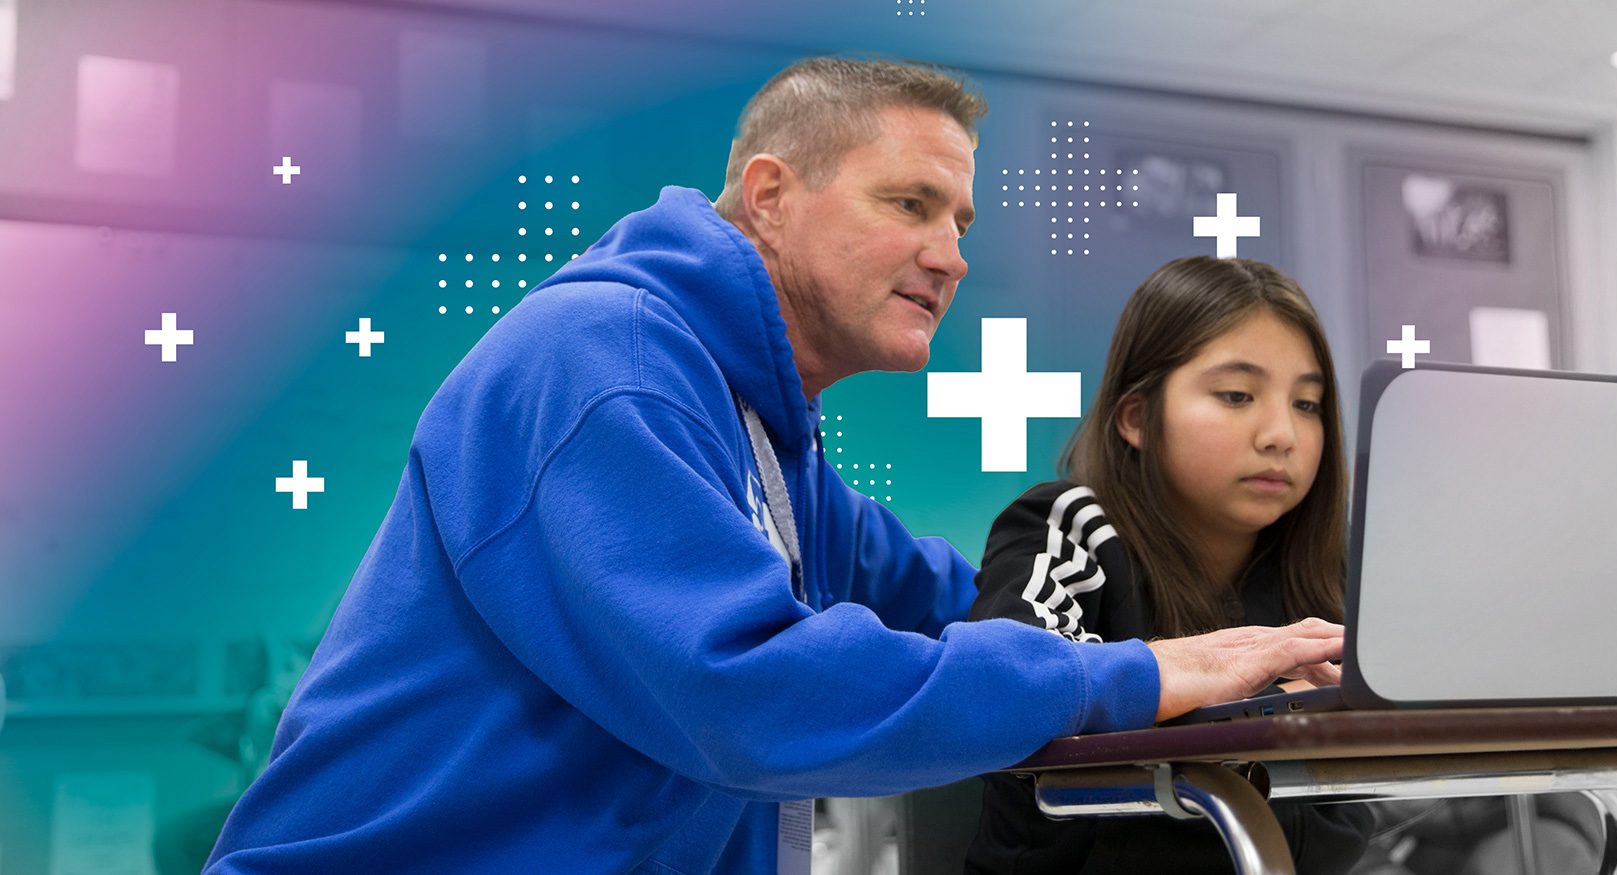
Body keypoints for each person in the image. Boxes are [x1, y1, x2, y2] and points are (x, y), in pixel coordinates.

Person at [204, 58, 1344, 875]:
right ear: (769, 195)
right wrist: (1134, 672)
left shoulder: (761, 427)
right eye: (910, 203)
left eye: (960, 218)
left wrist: (1224, 626)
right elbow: (751, 689)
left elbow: (964, 597)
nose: (950, 255)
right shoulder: (610, 368)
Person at [965, 256, 1374, 874]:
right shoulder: (1070, 524)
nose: (1282, 434)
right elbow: (1003, 686)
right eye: (1237, 395)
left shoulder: (1325, 568)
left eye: (1309, 403)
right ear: (1136, 418)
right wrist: (1255, 698)